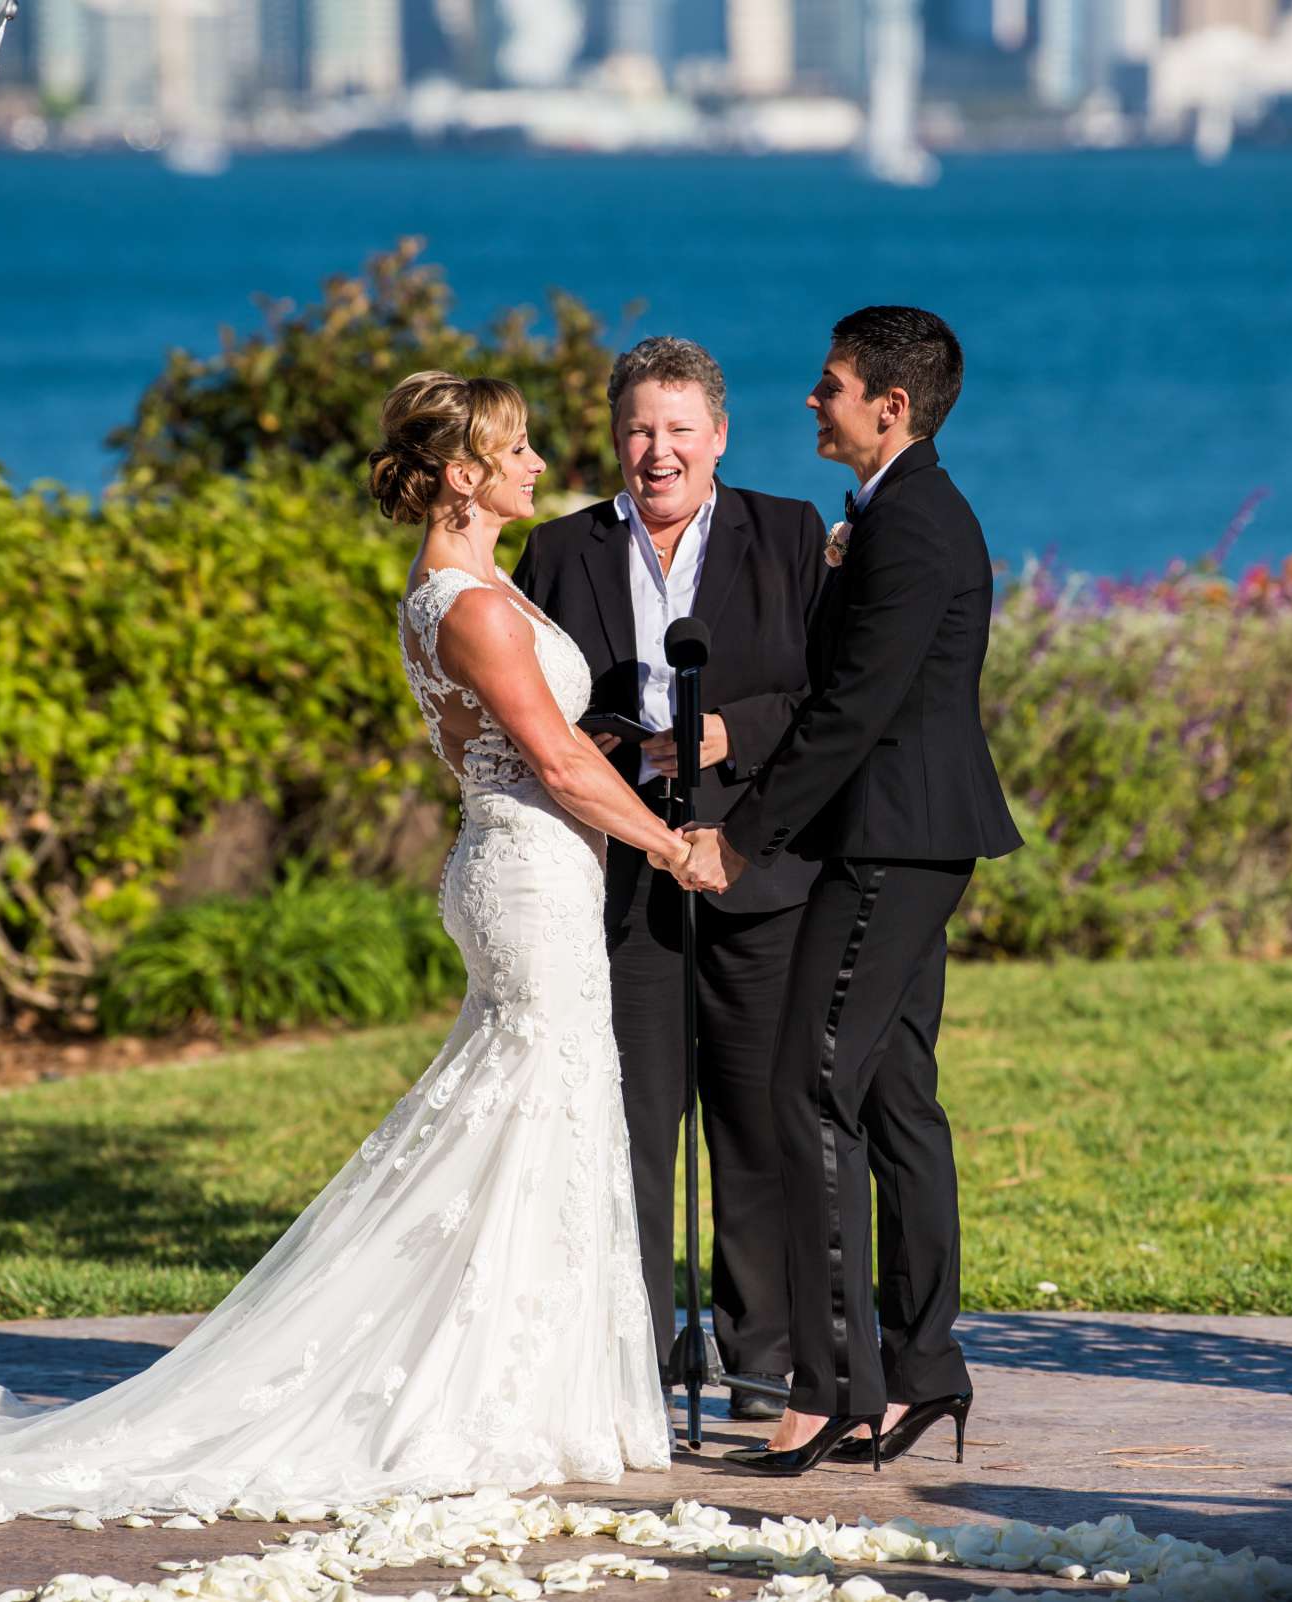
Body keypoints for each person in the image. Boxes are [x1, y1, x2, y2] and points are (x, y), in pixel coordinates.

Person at [0, 371, 684, 1522]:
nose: (541, 465)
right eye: (519, 449)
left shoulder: (470, 589)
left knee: (531, 1116)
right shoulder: (473, 605)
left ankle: (521, 1382)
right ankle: (473, 1391)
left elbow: (563, 742)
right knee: (529, 1108)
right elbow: (558, 762)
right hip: (527, 874)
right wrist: (678, 851)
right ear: (464, 475)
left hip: (527, 868)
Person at [675, 307, 1023, 1472]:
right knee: (890, 1098)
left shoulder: (913, 526)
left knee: (805, 1086)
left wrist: (742, 840)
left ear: (892, 404)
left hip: (886, 844)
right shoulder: (896, 516)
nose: (811, 403)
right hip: (914, 838)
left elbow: (851, 712)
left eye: (829, 388)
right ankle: (923, 1371)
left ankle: (833, 1388)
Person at [513, 337, 825, 1417]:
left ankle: (758, 1359)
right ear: (615, 435)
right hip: (621, 875)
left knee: (753, 1119)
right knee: (635, 1128)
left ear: (720, 438)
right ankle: (635, 1358)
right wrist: (617, 745)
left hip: (758, 868)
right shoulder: (558, 551)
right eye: (642, 429)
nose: (660, 452)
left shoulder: (787, 535)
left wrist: (726, 733)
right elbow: (531, 707)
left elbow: (829, 700)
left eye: (681, 430)